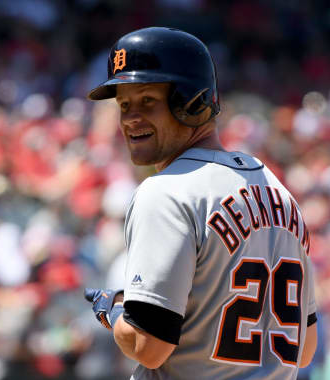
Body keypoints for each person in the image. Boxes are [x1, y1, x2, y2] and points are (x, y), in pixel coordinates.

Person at [84, 27, 317, 380]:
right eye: (124, 104)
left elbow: (149, 347)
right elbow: (306, 347)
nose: (130, 118)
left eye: (147, 100)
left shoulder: (166, 192)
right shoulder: (279, 193)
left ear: (191, 101)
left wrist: (113, 313)